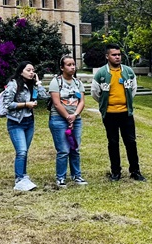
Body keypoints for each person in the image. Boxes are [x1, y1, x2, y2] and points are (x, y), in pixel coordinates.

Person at [90, 44, 145, 182]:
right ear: (107, 56)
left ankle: (135, 171)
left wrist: (126, 103)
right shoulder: (101, 73)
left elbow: (133, 89)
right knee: (113, 142)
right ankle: (115, 171)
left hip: (126, 114)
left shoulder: (128, 72)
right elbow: (95, 93)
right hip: (109, 114)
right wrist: (106, 105)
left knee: (131, 142)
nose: (117, 57)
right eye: (114, 55)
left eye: (119, 54)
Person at [3, 61, 48, 191]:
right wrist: (25, 104)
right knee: (21, 151)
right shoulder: (13, 84)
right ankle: (19, 179)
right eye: (28, 70)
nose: (31, 72)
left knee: (25, 152)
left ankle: (23, 176)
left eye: (33, 70)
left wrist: (38, 82)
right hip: (16, 122)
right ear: (21, 71)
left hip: (29, 122)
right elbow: (7, 105)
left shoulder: (32, 84)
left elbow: (44, 96)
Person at [48, 55, 87, 187]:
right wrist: (67, 116)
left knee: (74, 148)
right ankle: (61, 177)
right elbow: (57, 103)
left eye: (73, 64)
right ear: (62, 67)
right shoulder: (56, 82)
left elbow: (82, 102)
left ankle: (77, 175)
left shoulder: (78, 83)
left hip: (75, 119)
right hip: (59, 119)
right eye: (69, 65)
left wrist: (75, 115)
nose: (72, 67)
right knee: (63, 150)